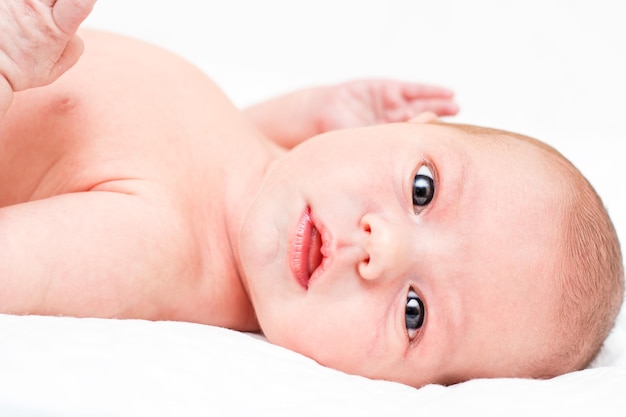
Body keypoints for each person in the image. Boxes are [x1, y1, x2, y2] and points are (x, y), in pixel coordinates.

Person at [0, 0, 623, 388]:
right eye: (423, 189)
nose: (384, 247)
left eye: (415, 314)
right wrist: (305, 113)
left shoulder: (156, 254)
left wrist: (7, 64)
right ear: (405, 129)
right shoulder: (258, 176)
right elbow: (188, 147)